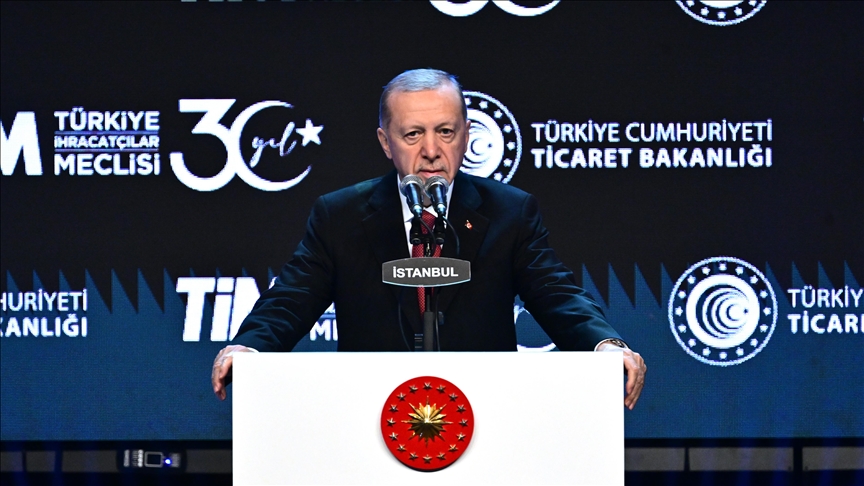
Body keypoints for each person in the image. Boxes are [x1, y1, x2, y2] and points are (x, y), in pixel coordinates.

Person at [212, 69, 646, 409]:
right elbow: (292, 297)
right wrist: (249, 346)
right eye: (413, 134)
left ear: (466, 135)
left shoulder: (509, 211)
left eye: (445, 131)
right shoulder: (341, 216)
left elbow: (555, 292)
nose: (432, 150)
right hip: (370, 412)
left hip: (484, 412)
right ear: (386, 142)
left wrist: (604, 343)